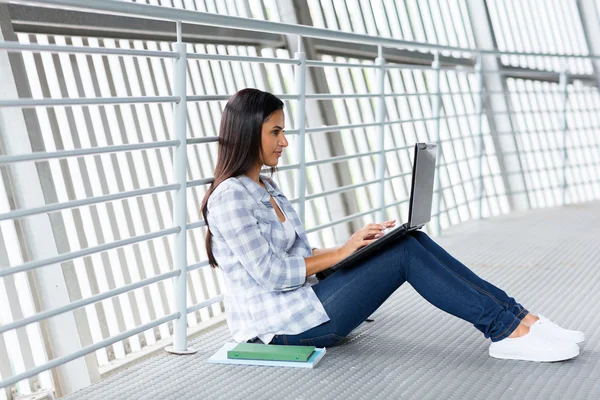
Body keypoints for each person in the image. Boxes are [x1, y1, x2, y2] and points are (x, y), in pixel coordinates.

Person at [200, 88, 584, 362]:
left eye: (283, 130)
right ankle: (506, 330)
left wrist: (356, 245)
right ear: (248, 133)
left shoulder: (266, 186)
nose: (284, 141)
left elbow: (298, 256)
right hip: (282, 327)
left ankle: (519, 318)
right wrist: (344, 252)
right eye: (276, 132)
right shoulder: (231, 197)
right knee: (403, 253)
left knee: (408, 239)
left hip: (304, 302)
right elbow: (271, 273)